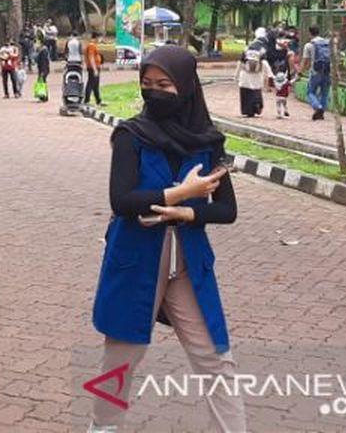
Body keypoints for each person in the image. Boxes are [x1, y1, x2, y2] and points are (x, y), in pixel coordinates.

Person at [89, 45, 243, 433]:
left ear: (187, 87)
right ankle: (102, 428)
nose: (154, 93)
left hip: (188, 265)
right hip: (136, 261)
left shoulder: (207, 142)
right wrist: (180, 194)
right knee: (121, 361)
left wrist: (188, 212)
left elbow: (226, 210)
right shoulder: (130, 135)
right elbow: (122, 200)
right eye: (146, 84)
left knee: (215, 359)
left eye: (165, 85)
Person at [300, 26, 332, 121]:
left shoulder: (309, 45)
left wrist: (300, 72)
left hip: (315, 72)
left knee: (310, 92)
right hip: (327, 71)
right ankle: (321, 112)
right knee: (324, 93)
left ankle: (318, 107)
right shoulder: (327, 43)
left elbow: (305, 61)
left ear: (310, 33)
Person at [236, 47, 272, 118]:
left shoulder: (244, 59)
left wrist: (236, 78)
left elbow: (238, 69)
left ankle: (247, 111)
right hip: (257, 82)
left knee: (245, 97)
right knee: (256, 95)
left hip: (244, 81)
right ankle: (257, 106)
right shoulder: (262, 60)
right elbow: (269, 72)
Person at [85, 31, 104, 106]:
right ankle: (87, 100)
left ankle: (98, 100)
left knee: (96, 84)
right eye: (99, 38)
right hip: (93, 67)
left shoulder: (94, 45)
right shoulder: (91, 46)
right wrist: (94, 69)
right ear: (96, 37)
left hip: (96, 66)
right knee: (91, 84)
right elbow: (91, 57)